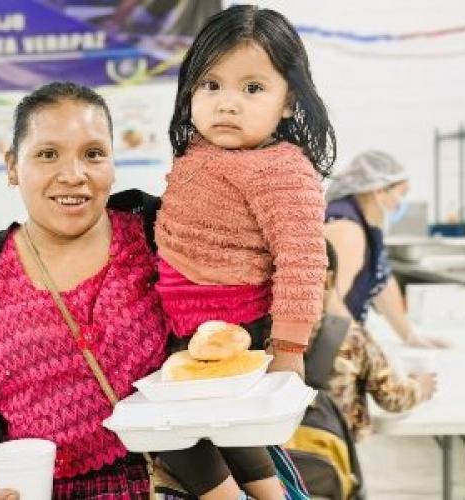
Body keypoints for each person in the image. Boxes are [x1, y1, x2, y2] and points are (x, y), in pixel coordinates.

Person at [0, 81, 182, 500]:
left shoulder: (161, 236)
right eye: (47, 154)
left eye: (93, 154)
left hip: (169, 484)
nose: (73, 175)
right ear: (11, 167)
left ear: (113, 163)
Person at [152, 5, 334, 499]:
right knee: (223, 437)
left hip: (239, 335)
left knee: (173, 430)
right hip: (187, 332)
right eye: (211, 86)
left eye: (252, 88)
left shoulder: (281, 169)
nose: (227, 104)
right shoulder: (198, 151)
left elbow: (303, 261)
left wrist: (290, 348)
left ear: (289, 100)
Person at [325, 150, 449, 348]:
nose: (401, 204)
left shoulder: (367, 225)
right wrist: (370, 357)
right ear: (379, 190)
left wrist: (410, 336)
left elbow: (381, 282)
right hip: (323, 346)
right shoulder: (346, 229)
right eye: (401, 194)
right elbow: (328, 303)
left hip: (339, 338)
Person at [319, 240, 437, 441]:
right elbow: (392, 398)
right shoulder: (352, 337)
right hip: (333, 450)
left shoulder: (266, 333)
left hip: (280, 456)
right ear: (329, 280)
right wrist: (420, 387)